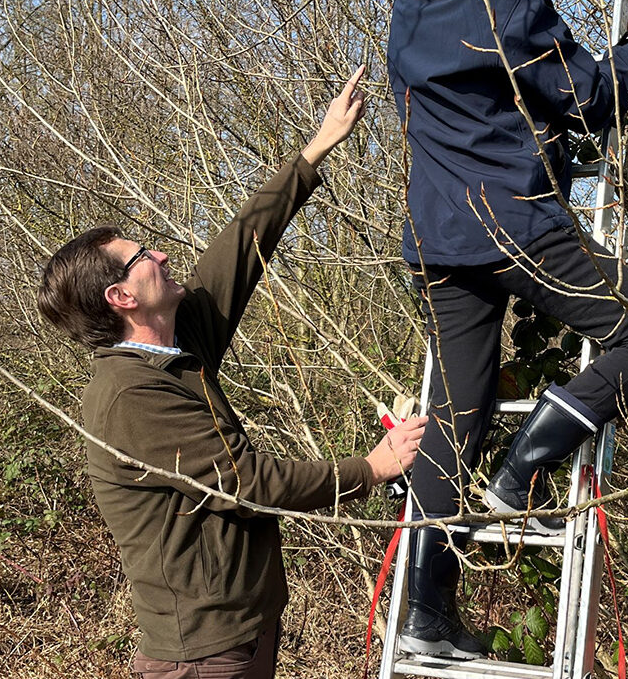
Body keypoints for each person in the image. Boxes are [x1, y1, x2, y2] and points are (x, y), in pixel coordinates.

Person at [36, 67, 427, 679]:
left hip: (241, 629)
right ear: (121, 297)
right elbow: (244, 481)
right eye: (142, 257)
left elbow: (241, 244)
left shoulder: (178, 344)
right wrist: (372, 468)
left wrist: (314, 151)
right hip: (202, 651)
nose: (161, 254)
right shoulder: (129, 394)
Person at [387, 0, 628, 661]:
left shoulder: (411, 1)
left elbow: (472, 43)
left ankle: (425, 615)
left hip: (435, 238)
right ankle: (523, 468)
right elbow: (590, 99)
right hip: (512, 225)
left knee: (454, 418)